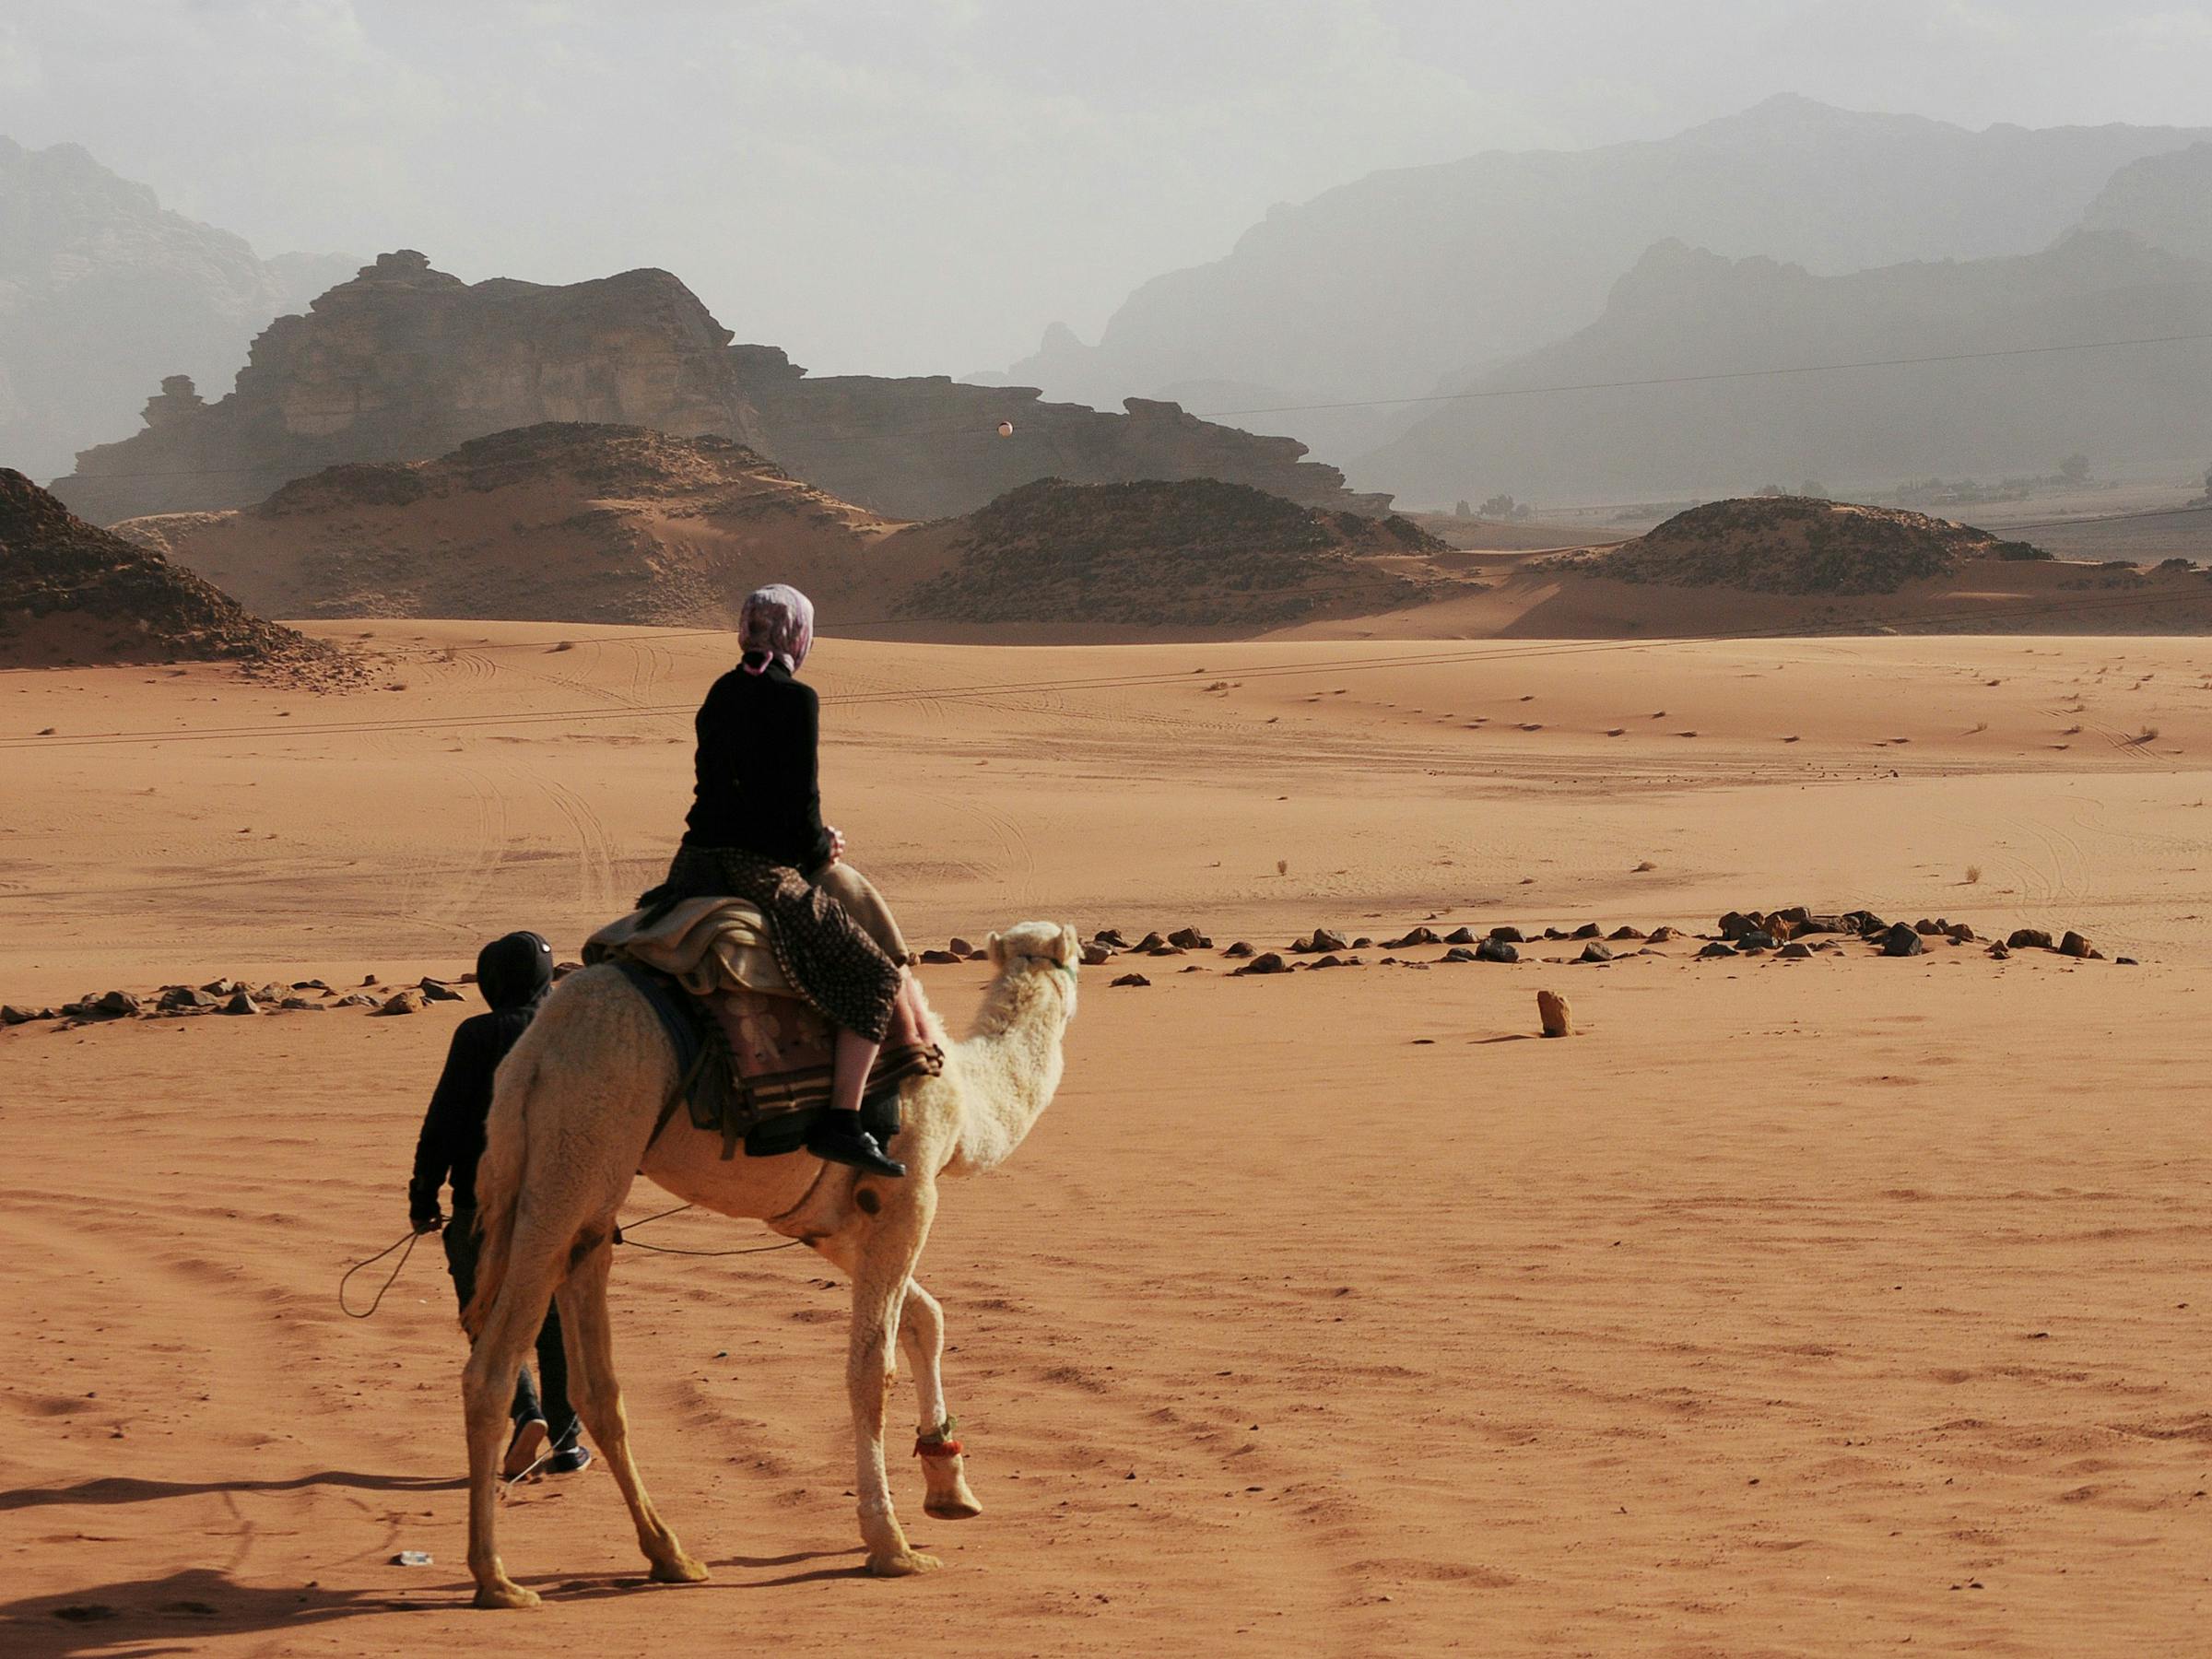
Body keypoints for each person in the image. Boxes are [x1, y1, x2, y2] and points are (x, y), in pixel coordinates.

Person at [657, 582, 910, 1178]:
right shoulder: (797, 701)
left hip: (692, 866)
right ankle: (843, 1120)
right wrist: (826, 845)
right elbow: (798, 817)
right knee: (875, 978)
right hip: (757, 872)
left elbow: (714, 794)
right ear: (797, 634)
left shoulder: (718, 694)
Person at [408, 930, 590, 1478]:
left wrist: (423, 1194)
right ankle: (565, 1441)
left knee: (488, 1319)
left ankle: (524, 1412)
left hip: (477, 1207)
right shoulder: (571, 1034)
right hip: (559, 1209)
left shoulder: (475, 1034)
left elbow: (444, 1120)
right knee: (557, 1326)